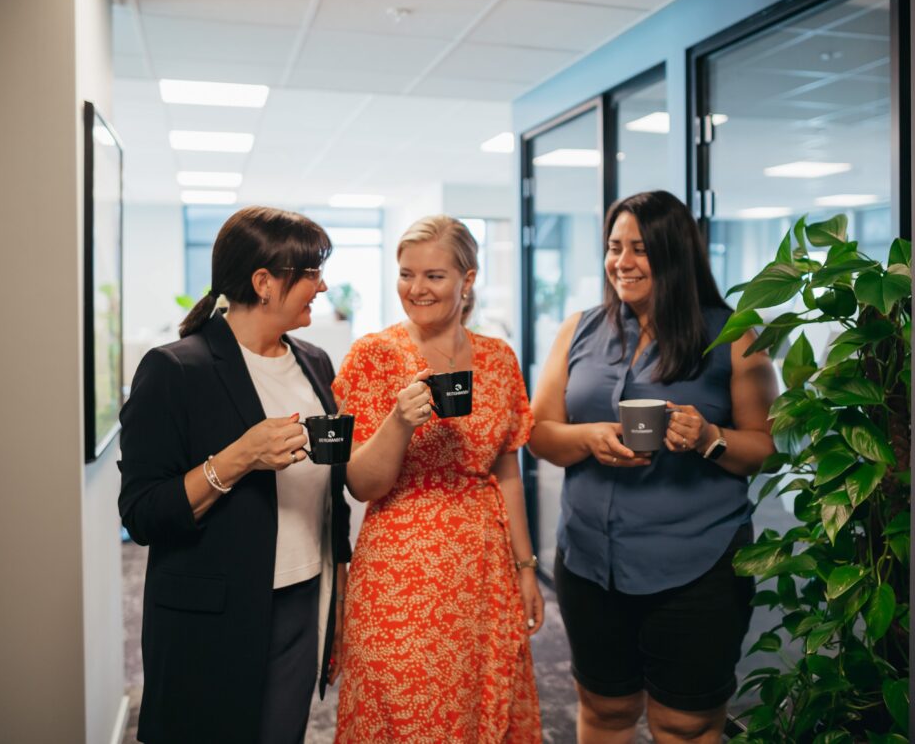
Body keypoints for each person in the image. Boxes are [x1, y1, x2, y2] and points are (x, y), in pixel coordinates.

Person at [528, 190, 777, 744]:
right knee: (605, 709)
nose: (622, 262)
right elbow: (540, 433)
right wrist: (590, 438)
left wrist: (710, 438)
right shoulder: (580, 330)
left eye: (640, 249)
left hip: (696, 566)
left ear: (674, 253)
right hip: (591, 561)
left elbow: (765, 447)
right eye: (615, 247)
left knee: (684, 724)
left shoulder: (733, 336)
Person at [118, 206, 352, 744]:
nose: (322, 285)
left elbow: (330, 489)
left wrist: (339, 588)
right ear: (264, 283)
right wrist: (238, 458)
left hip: (301, 600)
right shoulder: (176, 370)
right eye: (311, 272)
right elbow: (143, 515)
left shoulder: (315, 362)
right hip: (211, 618)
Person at [333, 215, 542, 743]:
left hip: (483, 565)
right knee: (404, 711)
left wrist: (525, 568)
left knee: (476, 709)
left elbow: (507, 472)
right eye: (406, 274)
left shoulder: (498, 359)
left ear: (467, 280)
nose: (416, 289)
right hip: (399, 570)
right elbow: (361, 484)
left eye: (434, 276)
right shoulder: (372, 356)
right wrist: (399, 422)